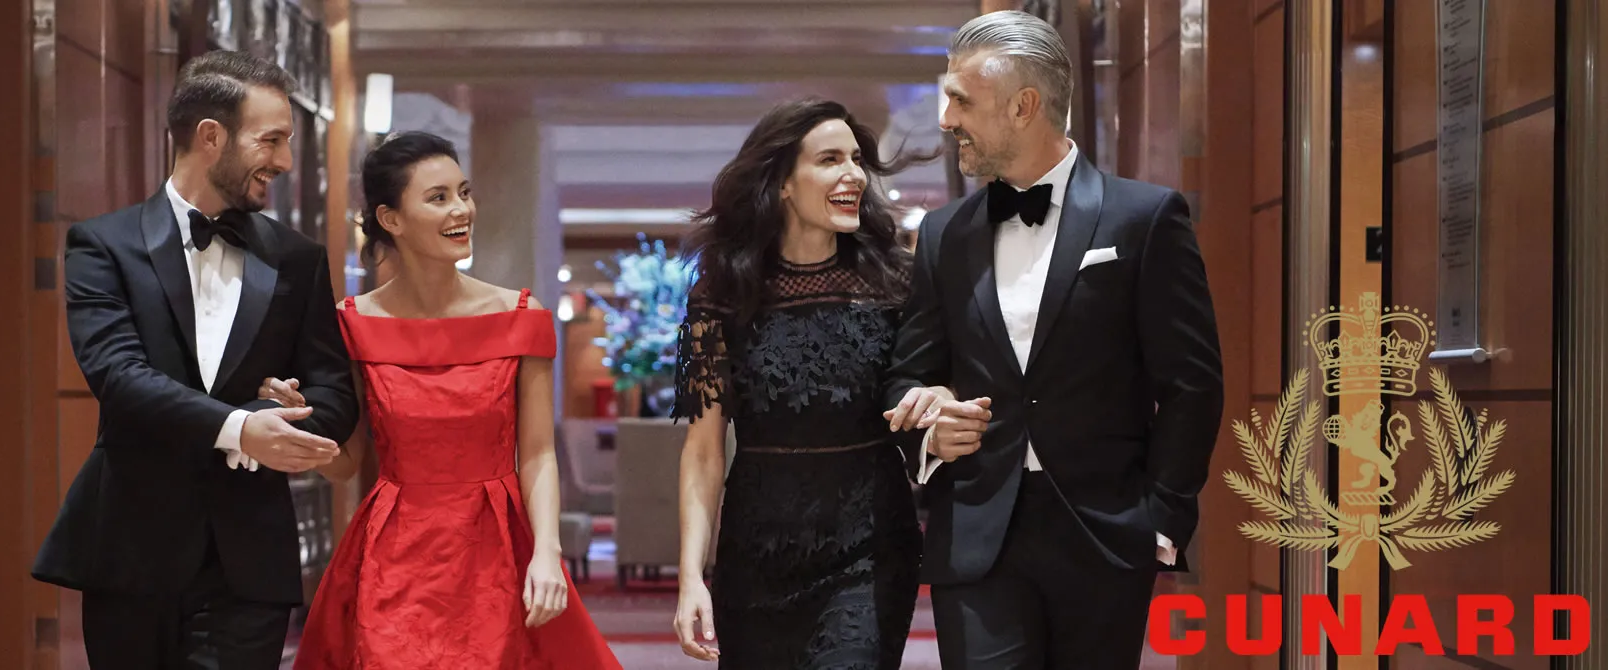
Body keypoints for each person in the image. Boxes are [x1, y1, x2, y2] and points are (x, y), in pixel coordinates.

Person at [885, 10, 1225, 669]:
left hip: (1105, 532)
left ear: (1023, 106)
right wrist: (928, 429)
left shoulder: (1146, 217)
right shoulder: (942, 235)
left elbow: (1191, 381)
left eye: (960, 99)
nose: (947, 119)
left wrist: (1161, 517)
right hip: (979, 535)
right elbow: (906, 375)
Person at [32, 50, 358, 668]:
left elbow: (335, 394)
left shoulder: (298, 259)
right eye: (272, 141)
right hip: (129, 549)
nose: (285, 162)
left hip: (248, 561)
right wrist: (242, 428)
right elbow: (118, 378)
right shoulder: (103, 244)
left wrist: (287, 421)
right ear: (212, 137)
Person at [276, 131, 622, 669]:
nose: (461, 210)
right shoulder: (352, 325)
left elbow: (537, 454)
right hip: (394, 549)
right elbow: (346, 465)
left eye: (464, 192)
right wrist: (301, 430)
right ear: (390, 219)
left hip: (496, 547)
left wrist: (548, 552)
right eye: (438, 198)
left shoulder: (520, 317)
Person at [669, 99, 964, 669]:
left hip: (869, 550)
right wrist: (689, 576)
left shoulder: (897, 283)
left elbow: (931, 383)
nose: (852, 174)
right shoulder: (722, 295)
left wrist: (942, 400)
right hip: (755, 556)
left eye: (856, 159)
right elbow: (703, 452)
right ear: (781, 181)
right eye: (830, 159)